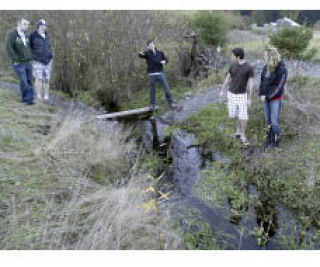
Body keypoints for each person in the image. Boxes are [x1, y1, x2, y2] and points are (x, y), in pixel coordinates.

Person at [219, 48, 254, 146]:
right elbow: (228, 78)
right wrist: (222, 90)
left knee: (243, 116)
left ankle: (243, 135)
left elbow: (251, 84)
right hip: (231, 94)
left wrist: (250, 99)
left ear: (238, 56)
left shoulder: (248, 68)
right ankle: (238, 132)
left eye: (232, 55)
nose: (231, 56)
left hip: (242, 95)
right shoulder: (232, 65)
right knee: (235, 114)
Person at [259, 48, 287, 148]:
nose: (264, 56)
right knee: (268, 120)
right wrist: (261, 94)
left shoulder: (282, 69)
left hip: (275, 99)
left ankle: (275, 141)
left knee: (274, 121)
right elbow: (262, 83)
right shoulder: (265, 67)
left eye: (265, 55)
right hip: (265, 98)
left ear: (270, 56)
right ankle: (269, 138)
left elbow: (279, 86)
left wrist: (268, 96)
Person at [138, 39, 176, 110]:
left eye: (152, 44)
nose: (151, 45)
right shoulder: (147, 53)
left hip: (161, 73)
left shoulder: (160, 53)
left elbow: (166, 60)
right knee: (152, 91)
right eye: (149, 45)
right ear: (148, 46)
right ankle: (152, 105)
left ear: (154, 44)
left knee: (167, 88)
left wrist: (165, 61)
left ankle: (171, 103)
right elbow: (140, 55)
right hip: (152, 75)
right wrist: (140, 54)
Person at [5, 18, 34, 105]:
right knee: (23, 80)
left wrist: (31, 58)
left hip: (28, 62)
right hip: (19, 63)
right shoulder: (12, 33)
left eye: (27, 24)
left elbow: (28, 48)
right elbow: (8, 47)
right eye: (24, 24)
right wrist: (15, 58)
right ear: (18, 23)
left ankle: (29, 100)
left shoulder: (26, 34)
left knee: (29, 80)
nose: (26, 26)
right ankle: (25, 100)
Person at [30, 19, 53, 101]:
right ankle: (38, 96)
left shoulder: (47, 35)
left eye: (46, 25)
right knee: (38, 78)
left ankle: (46, 96)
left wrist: (51, 57)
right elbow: (28, 48)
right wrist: (31, 58)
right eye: (45, 25)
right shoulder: (32, 35)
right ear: (40, 26)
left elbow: (48, 47)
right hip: (37, 60)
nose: (46, 27)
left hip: (48, 60)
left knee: (47, 79)